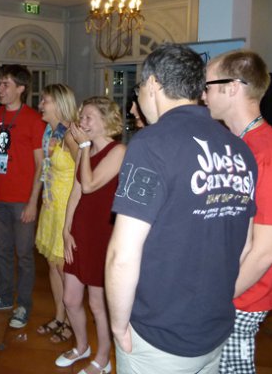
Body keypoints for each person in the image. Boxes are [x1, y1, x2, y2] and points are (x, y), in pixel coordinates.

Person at [105, 44, 258, 374]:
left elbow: (123, 254)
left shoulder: (152, 143)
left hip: (159, 335)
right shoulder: (240, 149)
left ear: (153, 84)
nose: (138, 97)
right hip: (214, 328)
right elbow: (245, 245)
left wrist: (117, 325)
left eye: (139, 88)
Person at [203, 51, 272, 374]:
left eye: (208, 86)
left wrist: (220, 298)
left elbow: (265, 251)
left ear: (232, 87)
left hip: (242, 295)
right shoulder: (238, 143)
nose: (203, 94)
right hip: (227, 285)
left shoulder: (269, 155)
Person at [55, 96, 125, 374]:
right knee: (70, 298)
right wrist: (66, 229)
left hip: (102, 232)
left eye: (88, 117)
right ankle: (81, 346)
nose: (81, 122)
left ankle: (103, 357)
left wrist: (83, 147)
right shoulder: (86, 150)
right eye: (81, 117)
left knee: (97, 303)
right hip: (80, 230)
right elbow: (75, 192)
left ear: (106, 121)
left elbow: (90, 184)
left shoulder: (118, 151)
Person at [0, 64, 45, 329]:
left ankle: (24, 304)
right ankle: (5, 297)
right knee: (2, 251)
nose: (0, 89)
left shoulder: (34, 120)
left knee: (24, 254)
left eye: (6, 84)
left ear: (21, 88)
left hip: (22, 200)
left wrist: (32, 201)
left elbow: (40, 164)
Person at [35, 84, 79, 343]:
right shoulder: (49, 131)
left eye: (46, 100)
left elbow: (83, 174)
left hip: (66, 208)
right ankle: (59, 316)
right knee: (53, 265)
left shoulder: (71, 135)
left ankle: (73, 323)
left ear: (60, 104)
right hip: (51, 205)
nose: (40, 104)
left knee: (64, 268)